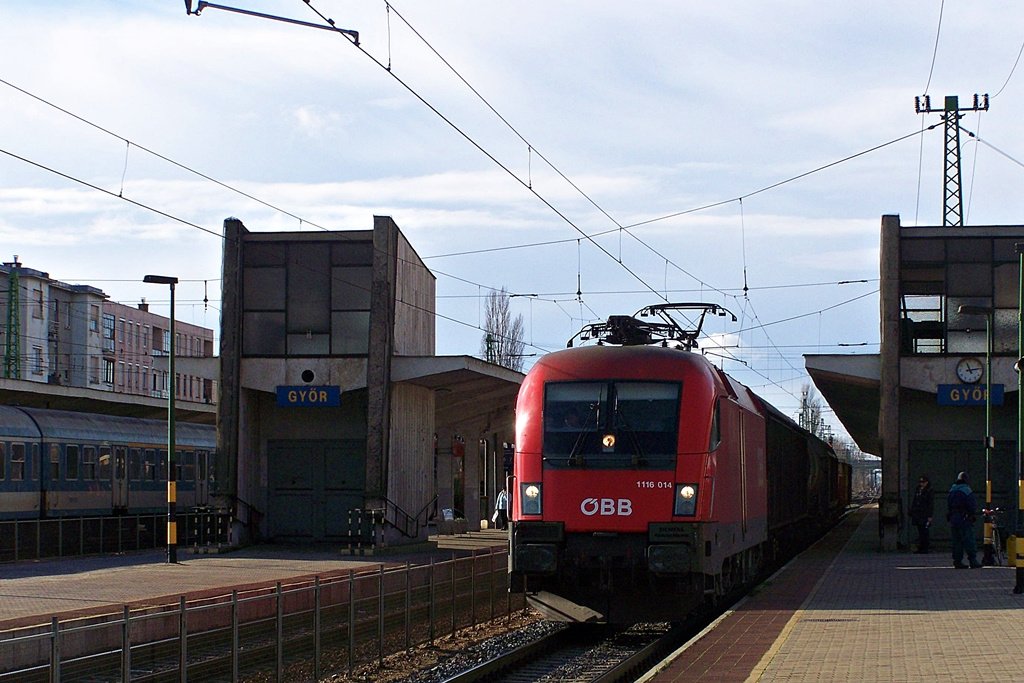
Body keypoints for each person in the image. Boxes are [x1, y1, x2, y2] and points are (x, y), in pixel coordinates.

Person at [947, 471, 981, 569]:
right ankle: (973, 561)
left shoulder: (952, 490)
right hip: (964, 519)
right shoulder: (966, 490)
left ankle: (957, 561)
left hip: (954, 519)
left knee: (956, 541)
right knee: (969, 539)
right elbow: (971, 506)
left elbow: (949, 505)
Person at [908, 475, 934, 553]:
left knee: (924, 531)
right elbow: (915, 501)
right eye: (920, 482)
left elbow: (930, 504)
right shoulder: (918, 490)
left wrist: (929, 515)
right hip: (918, 513)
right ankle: (921, 547)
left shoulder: (928, 491)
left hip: (924, 514)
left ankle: (925, 548)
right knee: (920, 530)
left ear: (927, 482)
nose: (921, 484)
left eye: (923, 482)